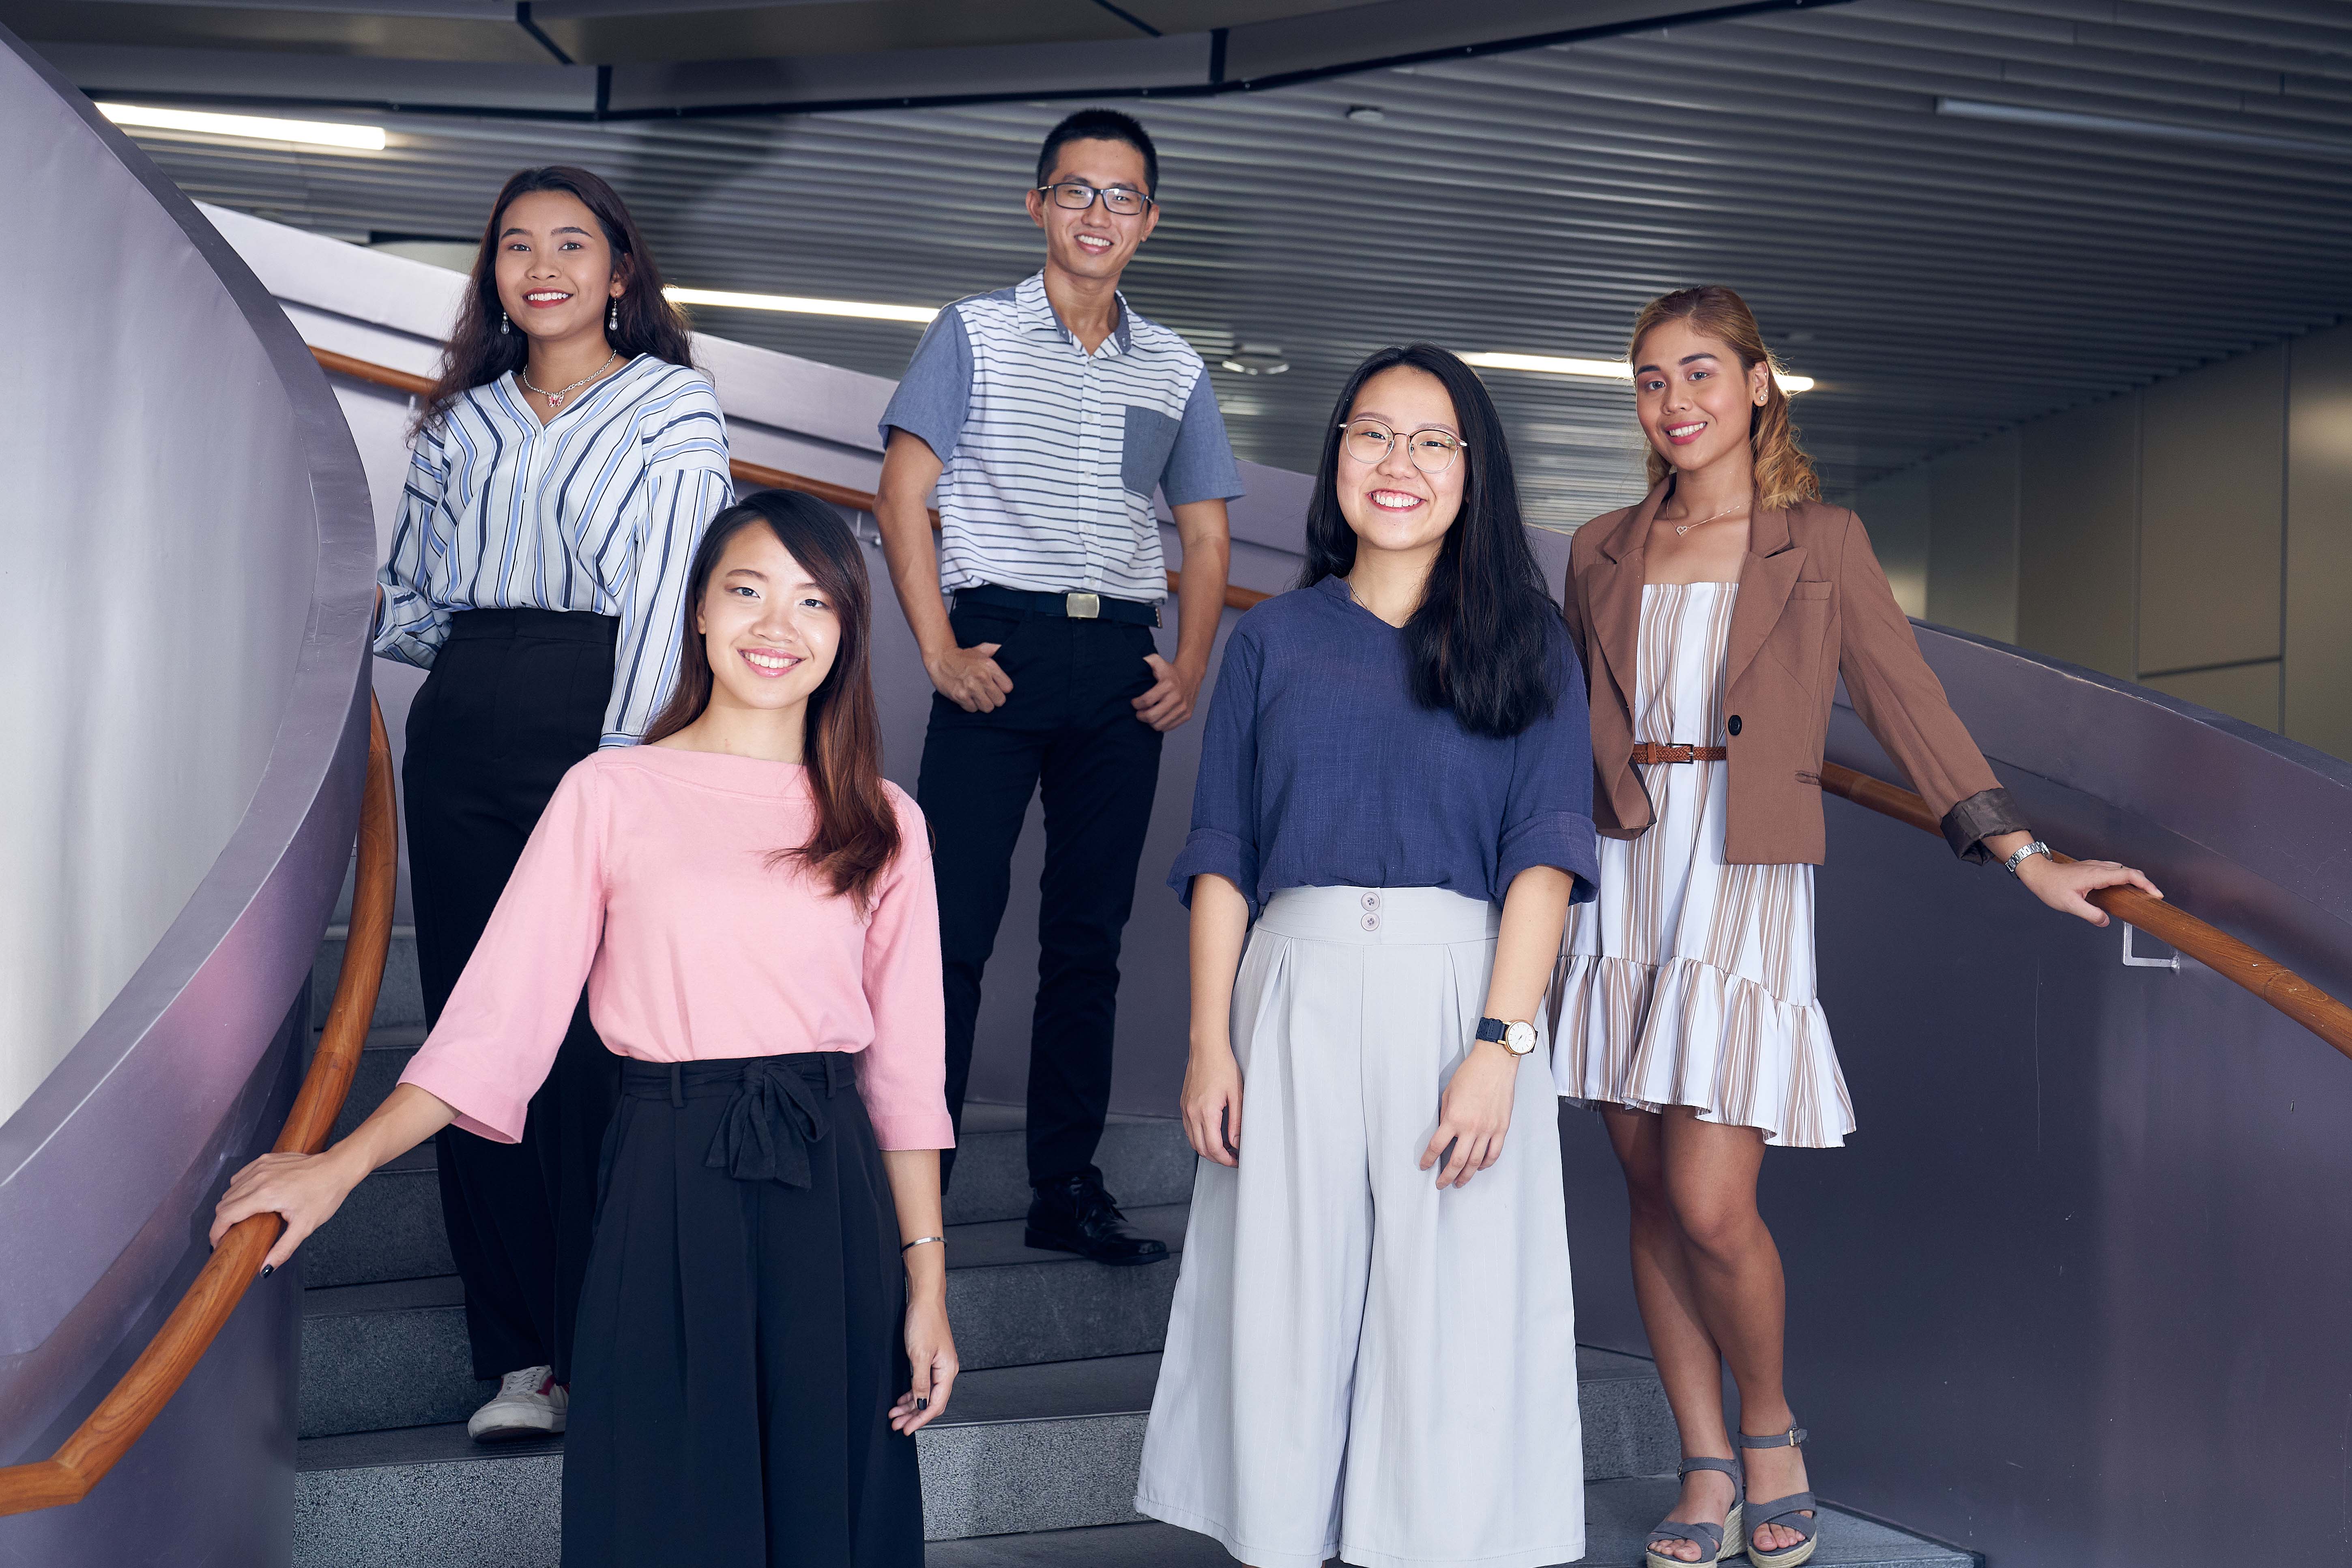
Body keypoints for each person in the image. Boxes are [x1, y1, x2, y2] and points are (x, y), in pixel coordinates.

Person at [216, 490, 956, 1568]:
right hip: (665, 1167)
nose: (775, 626)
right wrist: (338, 1165)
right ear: (697, 613)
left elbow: (906, 1077)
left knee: (827, 1504)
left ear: (845, 634)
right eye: (745, 590)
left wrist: (927, 1286)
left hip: (829, 1183)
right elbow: (496, 1019)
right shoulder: (612, 791)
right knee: (660, 1506)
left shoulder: (884, 821)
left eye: (812, 602)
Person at [1551, 286, 2161, 1568]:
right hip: (1617, 870)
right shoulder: (1601, 545)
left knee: (1715, 1200)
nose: (1677, 403)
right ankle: (1702, 1462)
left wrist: (2025, 853)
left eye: (1703, 374)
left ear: (1760, 385)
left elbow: (1906, 699)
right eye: (1653, 381)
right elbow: (1560, 722)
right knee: (1650, 1191)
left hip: (1743, 872)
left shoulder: (1820, 542)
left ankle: (1771, 1428)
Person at [1136, 345, 1600, 1568]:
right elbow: (1224, 851)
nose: (1397, 463)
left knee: (1449, 1309)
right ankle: (1281, 1542)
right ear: (1336, 454)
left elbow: (1545, 860)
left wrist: (1501, 1049)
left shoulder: (1532, 643)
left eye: (1430, 441)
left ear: (1473, 469)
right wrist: (1207, 1044)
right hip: (1290, 981)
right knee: (1283, 1299)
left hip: (1464, 989)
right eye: (1370, 434)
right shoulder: (1273, 639)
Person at [373, 165, 733, 1440]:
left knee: (596, 1039)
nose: (543, 265)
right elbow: (409, 601)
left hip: (603, 711)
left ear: (621, 271)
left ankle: (612, 1339)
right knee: (478, 1026)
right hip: (469, 718)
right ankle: (518, 1355)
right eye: (516, 244)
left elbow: (671, 600)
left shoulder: (672, 409)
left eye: (572, 244)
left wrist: (629, 766)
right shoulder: (460, 422)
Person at [873, 107, 1243, 1263]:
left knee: (1090, 935)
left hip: (1117, 665)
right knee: (952, 930)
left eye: (1121, 196)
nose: (1098, 214)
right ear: (1038, 205)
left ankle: (1065, 1186)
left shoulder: (1176, 366)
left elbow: (1207, 534)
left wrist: (1186, 663)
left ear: (1149, 221)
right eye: (1077, 192)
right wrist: (937, 651)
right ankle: (910, 1188)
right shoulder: (973, 334)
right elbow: (901, 494)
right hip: (995, 646)